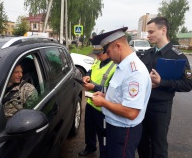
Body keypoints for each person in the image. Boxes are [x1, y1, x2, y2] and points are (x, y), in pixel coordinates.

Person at [91, 27, 152, 158]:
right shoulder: (122, 66)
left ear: (118, 46)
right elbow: (120, 95)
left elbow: (131, 112)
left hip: (124, 132)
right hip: (115, 127)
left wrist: (103, 103)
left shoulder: (134, 72)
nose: (107, 56)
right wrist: (105, 96)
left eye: (108, 52)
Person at [137, 17, 192, 158]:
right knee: (142, 143)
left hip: (161, 108)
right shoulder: (148, 53)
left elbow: (188, 84)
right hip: (143, 105)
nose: (148, 35)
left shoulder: (178, 57)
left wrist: (162, 82)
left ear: (163, 30)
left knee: (158, 146)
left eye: (151, 32)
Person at [79, 44, 116, 157]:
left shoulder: (114, 67)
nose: (97, 57)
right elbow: (91, 70)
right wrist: (87, 76)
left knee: (103, 135)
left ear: (107, 52)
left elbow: (111, 91)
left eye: (99, 54)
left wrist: (93, 87)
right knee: (89, 128)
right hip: (91, 102)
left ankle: (104, 154)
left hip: (103, 108)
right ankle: (90, 147)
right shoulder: (97, 61)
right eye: (96, 55)